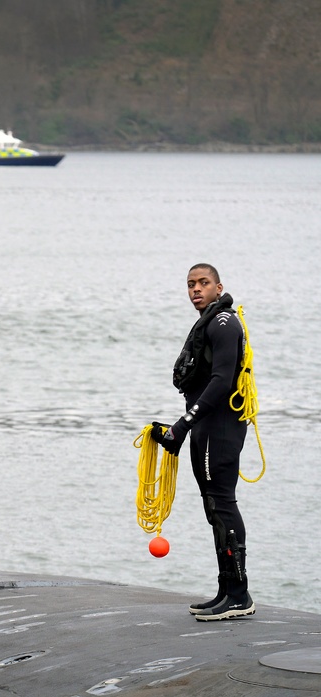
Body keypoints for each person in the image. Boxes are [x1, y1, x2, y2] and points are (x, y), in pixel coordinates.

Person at [151, 264, 254, 621]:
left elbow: (223, 380)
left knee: (223, 505)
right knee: (213, 507)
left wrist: (185, 423)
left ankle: (239, 595)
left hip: (221, 426)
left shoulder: (224, 323)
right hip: (205, 427)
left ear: (218, 286)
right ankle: (227, 589)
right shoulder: (208, 322)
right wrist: (177, 432)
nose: (196, 289)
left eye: (203, 283)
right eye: (191, 284)